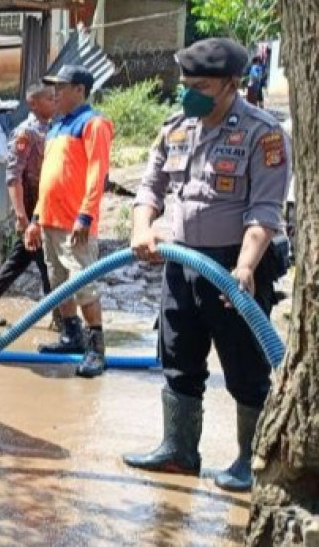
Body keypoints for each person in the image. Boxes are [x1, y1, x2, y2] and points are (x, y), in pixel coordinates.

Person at [123, 38, 291, 493]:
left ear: (231, 85)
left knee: (246, 367)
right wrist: (143, 228)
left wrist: (244, 267)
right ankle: (179, 451)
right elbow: (149, 187)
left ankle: (251, 462)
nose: (188, 93)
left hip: (237, 267)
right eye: (185, 84)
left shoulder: (263, 133)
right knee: (178, 356)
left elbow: (264, 211)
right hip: (181, 263)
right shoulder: (176, 127)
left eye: (200, 86)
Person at [23, 64, 114, 378]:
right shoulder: (58, 125)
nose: (55, 93)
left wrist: (86, 215)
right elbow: (49, 177)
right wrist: (35, 219)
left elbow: (97, 173)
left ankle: (95, 348)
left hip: (75, 222)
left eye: (61, 87)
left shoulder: (93, 124)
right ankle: (71, 335)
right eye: (54, 87)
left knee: (84, 283)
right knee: (59, 283)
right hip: (50, 219)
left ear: (80, 89)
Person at [0, 83, 57, 328]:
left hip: (44, 205)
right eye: (49, 99)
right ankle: (61, 316)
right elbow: (13, 177)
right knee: (46, 260)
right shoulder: (25, 133)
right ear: (33, 103)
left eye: (55, 98)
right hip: (31, 206)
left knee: (24, 257)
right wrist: (21, 216)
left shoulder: (52, 129)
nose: (55, 102)